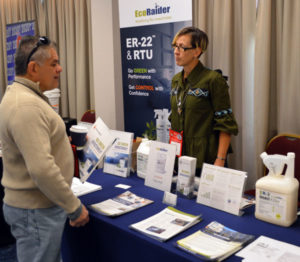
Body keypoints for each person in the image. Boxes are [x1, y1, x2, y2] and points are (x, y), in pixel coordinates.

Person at [0, 36, 89, 262]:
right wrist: (74, 207)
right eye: (53, 63)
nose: (59, 69)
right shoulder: (27, 105)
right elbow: (41, 169)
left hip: (34, 210)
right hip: (36, 211)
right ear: (33, 68)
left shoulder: (23, 97)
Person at [169, 27, 238, 175]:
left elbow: (225, 123)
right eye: (175, 46)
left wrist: (220, 159)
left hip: (207, 159)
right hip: (180, 156)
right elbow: (175, 117)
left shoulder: (213, 80)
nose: (176, 51)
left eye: (182, 47)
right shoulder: (176, 80)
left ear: (197, 51)